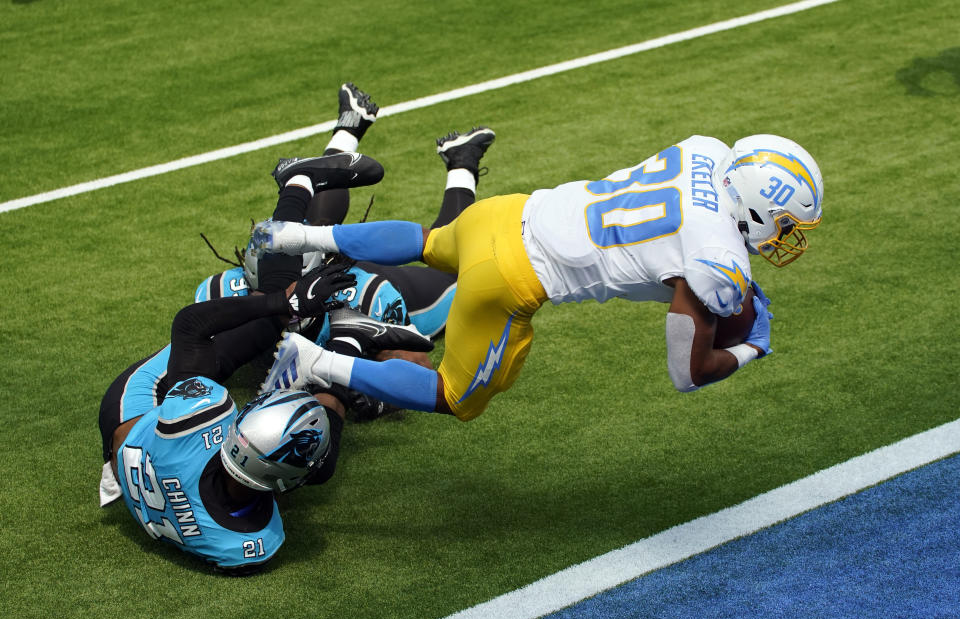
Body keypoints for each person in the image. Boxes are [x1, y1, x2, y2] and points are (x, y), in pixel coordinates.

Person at [251, 134, 823, 421]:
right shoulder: (719, 257)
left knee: (428, 243)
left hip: (507, 214)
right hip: (510, 280)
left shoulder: (706, 151)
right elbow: (686, 372)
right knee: (455, 395)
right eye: (786, 223)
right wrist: (749, 348)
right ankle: (314, 362)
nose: (784, 235)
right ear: (757, 205)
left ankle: (298, 236)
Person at [98, 153, 432, 574]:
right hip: (177, 463)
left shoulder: (195, 423)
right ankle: (345, 338)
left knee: (275, 317)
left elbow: (190, 325)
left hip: (141, 411)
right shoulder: (256, 541)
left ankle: (297, 184)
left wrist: (284, 302)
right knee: (317, 457)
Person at [196, 82, 496, 417]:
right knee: (307, 226)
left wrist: (368, 394)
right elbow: (191, 351)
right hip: (326, 264)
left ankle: (462, 165)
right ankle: (347, 130)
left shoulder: (366, 296)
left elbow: (420, 368)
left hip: (367, 282)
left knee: (453, 272)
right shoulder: (221, 293)